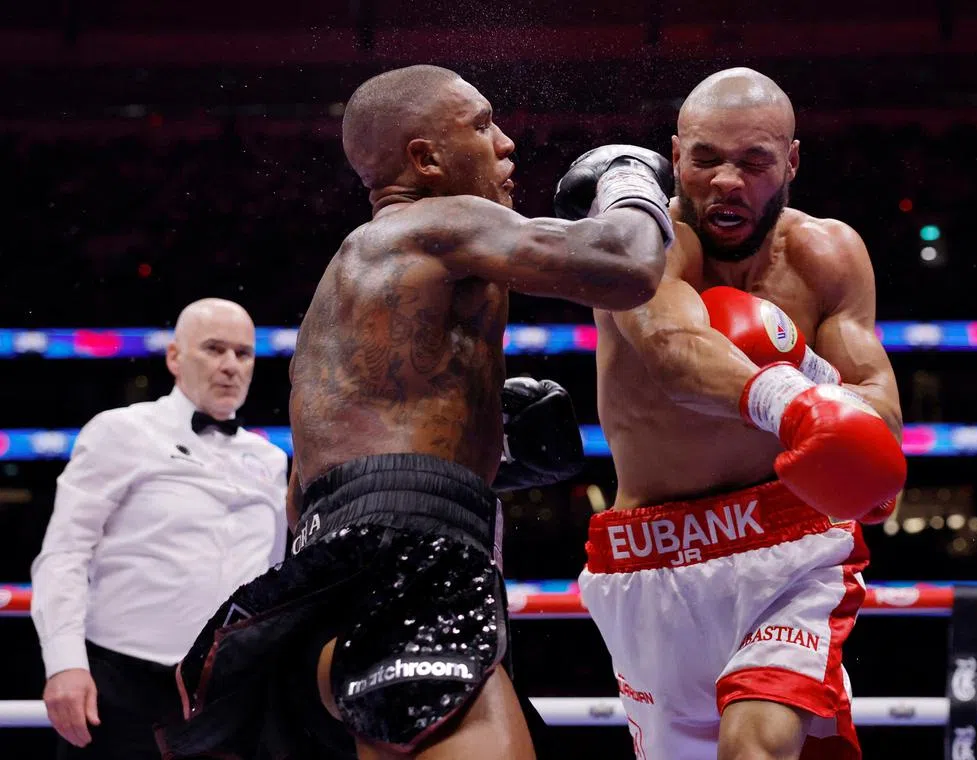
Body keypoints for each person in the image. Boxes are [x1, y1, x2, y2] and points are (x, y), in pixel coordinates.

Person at [154, 64, 673, 760]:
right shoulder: (440, 222)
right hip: (411, 560)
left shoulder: (341, 297)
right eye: (483, 125)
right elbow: (628, 265)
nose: (507, 143)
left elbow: (308, 492)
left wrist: (488, 452)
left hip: (323, 580)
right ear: (426, 160)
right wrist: (630, 180)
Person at [579, 68, 907, 760]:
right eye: (705, 159)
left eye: (754, 162)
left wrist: (814, 378)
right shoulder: (642, 244)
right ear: (675, 156)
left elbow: (879, 409)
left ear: (791, 162)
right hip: (652, 551)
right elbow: (675, 353)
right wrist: (792, 396)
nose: (727, 181)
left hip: (791, 547)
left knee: (756, 746)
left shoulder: (826, 254)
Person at [30, 298, 288, 760]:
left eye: (243, 353)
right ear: (174, 357)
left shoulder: (269, 460)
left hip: (229, 694)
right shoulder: (121, 432)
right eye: (214, 349)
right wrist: (64, 663)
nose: (231, 365)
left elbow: (271, 576)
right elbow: (65, 553)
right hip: (121, 687)